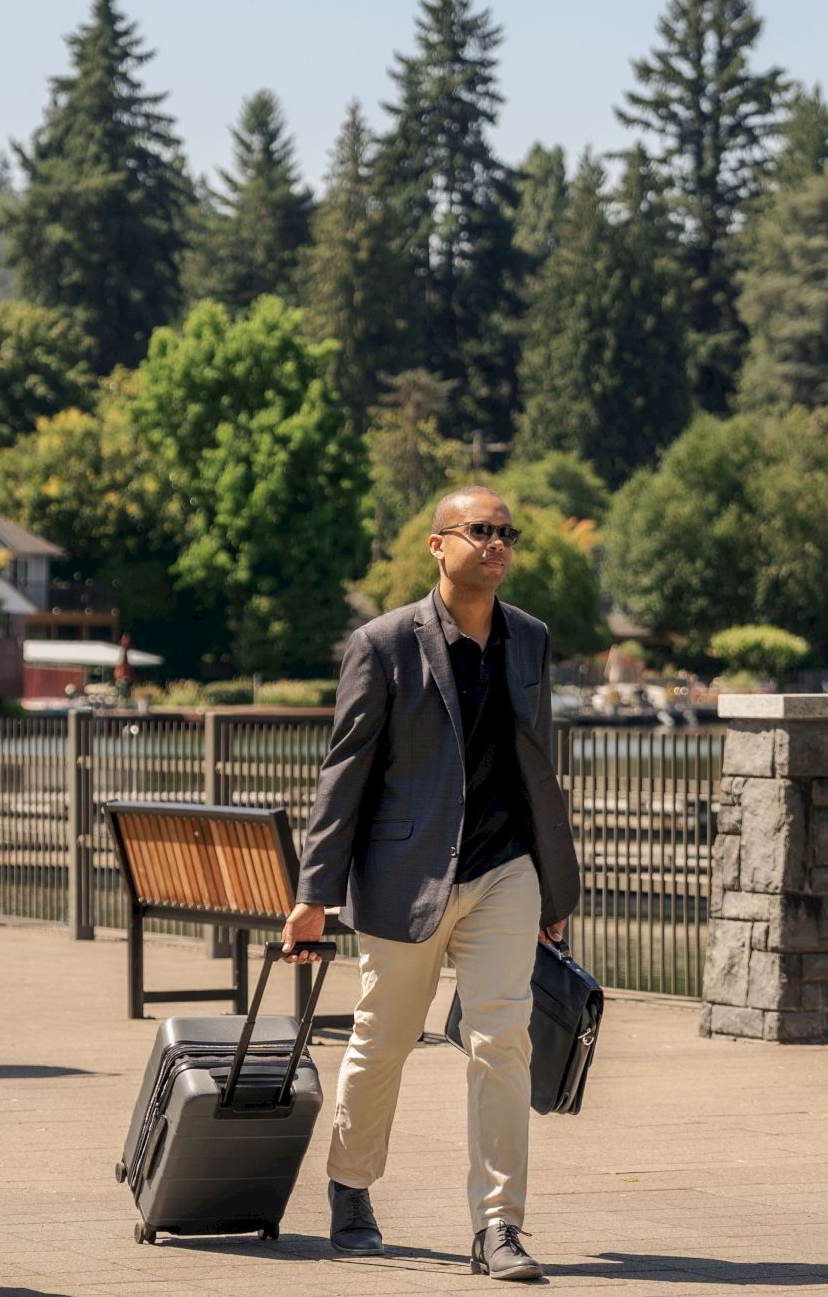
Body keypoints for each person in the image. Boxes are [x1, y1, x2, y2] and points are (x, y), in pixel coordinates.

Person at [282, 485, 579, 1283]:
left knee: (499, 1042)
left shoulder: (530, 639)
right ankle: (350, 1188)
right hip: (405, 877)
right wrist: (314, 894)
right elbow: (345, 774)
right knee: (383, 1040)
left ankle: (498, 1227)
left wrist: (553, 888)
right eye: (480, 531)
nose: (497, 544)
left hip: (505, 870)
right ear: (438, 546)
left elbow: (536, 767)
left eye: (505, 533)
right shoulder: (382, 645)